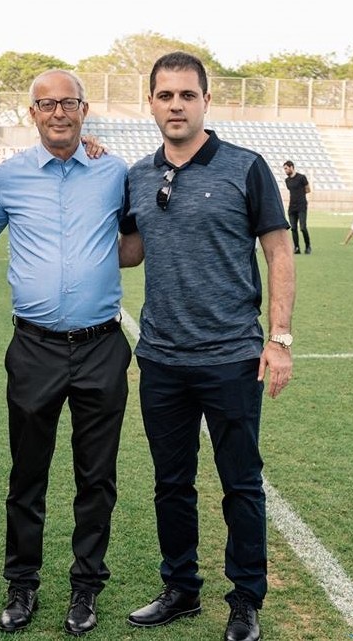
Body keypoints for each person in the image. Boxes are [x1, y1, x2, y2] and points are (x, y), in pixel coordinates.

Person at [119, 52, 295, 641]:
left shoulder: (245, 167)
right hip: (161, 358)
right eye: (165, 95)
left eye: (187, 95)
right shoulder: (137, 175)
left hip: (231, 357)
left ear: (205, 101)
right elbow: (129, 252)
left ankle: (245, 599)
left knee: (241, 483)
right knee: (171, 483)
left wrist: (279, 338)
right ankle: (181, 588)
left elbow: (278, 251)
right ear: (150, 103)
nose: (176, 106)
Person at [0, 69, 130, 637]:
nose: (58, 112)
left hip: (101, 346)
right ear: (32, 113)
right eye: (47, 104)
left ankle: (85, 588)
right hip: (34, 347)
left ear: (85, 109)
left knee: (97, 478)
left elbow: (137, 239)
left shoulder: (115, 172)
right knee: (27, 474)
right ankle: (22, 584)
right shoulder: (7, 177)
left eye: (69, 103)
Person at [283, 160, 311, 254]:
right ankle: (297, 248)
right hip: (292, 207)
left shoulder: (302, 177)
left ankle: (308, 246)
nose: (285, 171)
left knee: (303, 227)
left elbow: (308, 189)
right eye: (284, 169)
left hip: (301, 206)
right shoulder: (287, 180)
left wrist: (300, 195)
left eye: (286, 168)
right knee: (293, 228)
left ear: (291, 167)